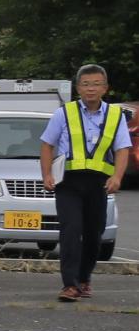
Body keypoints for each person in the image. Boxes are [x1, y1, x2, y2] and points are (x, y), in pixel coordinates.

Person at [39, 64, 130, 302]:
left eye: (96, 84)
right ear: (78, 88)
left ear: (105, 88)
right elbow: (47, 144)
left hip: (99, 183)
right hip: (68, 182)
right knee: (71, 230)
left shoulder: (115, 115)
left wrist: (117, 177)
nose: (91, 89)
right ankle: (69, 285)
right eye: (86, 84)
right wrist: (46, 174)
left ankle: (84, 278)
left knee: (94, 233)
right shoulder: (64, 113)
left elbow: (122, 149)